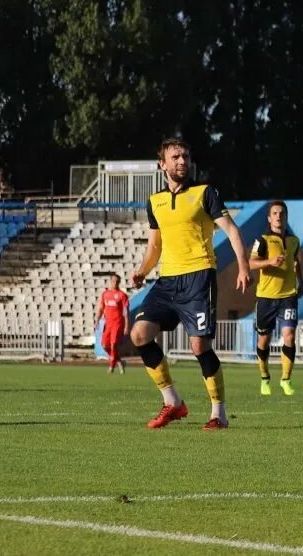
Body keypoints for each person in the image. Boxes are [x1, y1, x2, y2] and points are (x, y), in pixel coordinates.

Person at [130, 137, 251, 431]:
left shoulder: (204, 193)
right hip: (167, 281)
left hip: (199, 277)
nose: (182, 161)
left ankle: (218, 414)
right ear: (163, 164)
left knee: (199, 345)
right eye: (175, 157)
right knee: (138, 334)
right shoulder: (155, 201)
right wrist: (142, 270)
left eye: (185, 156)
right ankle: (173, 402)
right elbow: (155, 245)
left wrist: (243, 266)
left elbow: (231, 229)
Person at [250, 200, 303, 396]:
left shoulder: (294, 241)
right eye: (275, 213)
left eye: (282, 213)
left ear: (286, 216)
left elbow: (296, 262)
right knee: (263, 341)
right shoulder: (263, 239)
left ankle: (286, 379)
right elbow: (252, 263)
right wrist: (270, 261)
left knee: (289, 335)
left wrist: (301, 282)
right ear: (269, 217)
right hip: (266, 297)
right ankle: (265, 378)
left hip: (288, 296)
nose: (278, 216)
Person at [94, 273, 130, 374]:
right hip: (108, 323)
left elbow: (126, 312)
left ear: (119, 282)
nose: (115, 283)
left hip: (118, 323)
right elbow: (101, 308)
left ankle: (111, 366)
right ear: (110, 281)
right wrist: (97, 320)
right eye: (113, 281)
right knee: (105, 345)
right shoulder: (105, 294)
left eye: (117, 281)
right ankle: (120, 361)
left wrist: (127, 326)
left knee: (113, 344)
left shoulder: (122, 295)